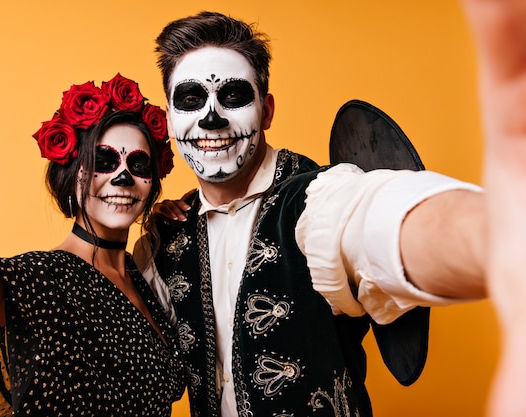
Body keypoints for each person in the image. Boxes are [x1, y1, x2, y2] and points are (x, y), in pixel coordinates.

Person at [130, 2, 526, 417]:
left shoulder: (319, 198)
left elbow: (374, 219)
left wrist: (497, 236)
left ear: (266, 111)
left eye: (233, 95)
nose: (212, 119)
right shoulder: (164, 243)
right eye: (191, 99)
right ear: (172, 119)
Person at [0, 72, 185, 415]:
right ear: (71, 173)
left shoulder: (147, 281)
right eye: (104, 161)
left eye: (137, 164)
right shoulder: (47, 279)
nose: (122, 177)